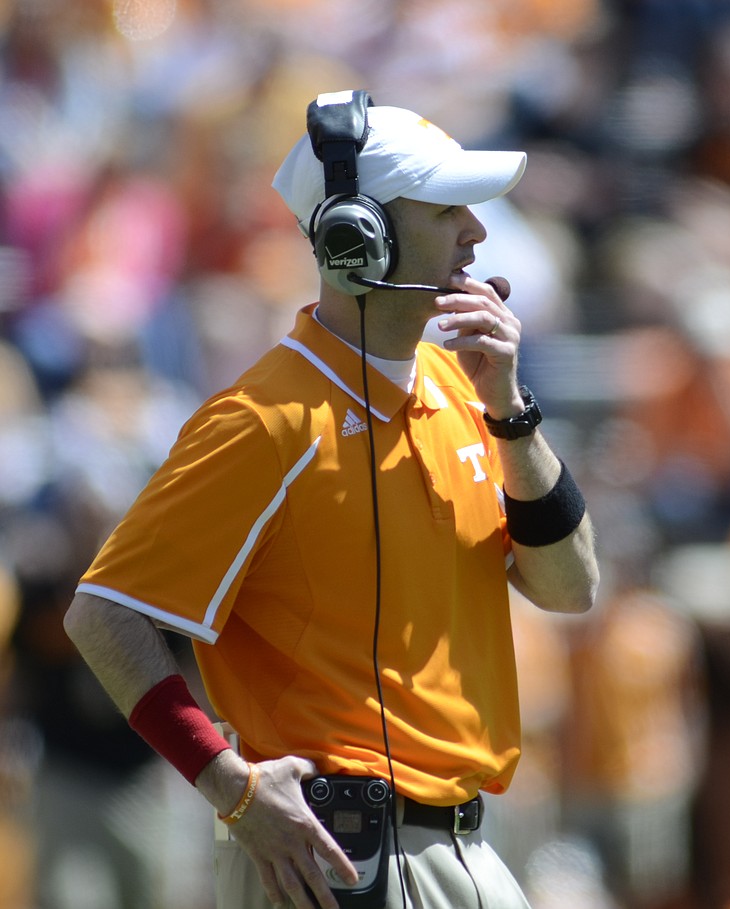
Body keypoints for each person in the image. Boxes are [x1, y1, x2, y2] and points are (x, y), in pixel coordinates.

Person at [63, 90, 599, 909]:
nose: (476, 232)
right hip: (334, 860)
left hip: (460, 849)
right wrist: (231, 788)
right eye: (446, 208)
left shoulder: (465, 390)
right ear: (359, 235)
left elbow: (571, 587)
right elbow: (102, 615)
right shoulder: (264, 420)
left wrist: (514, 416)